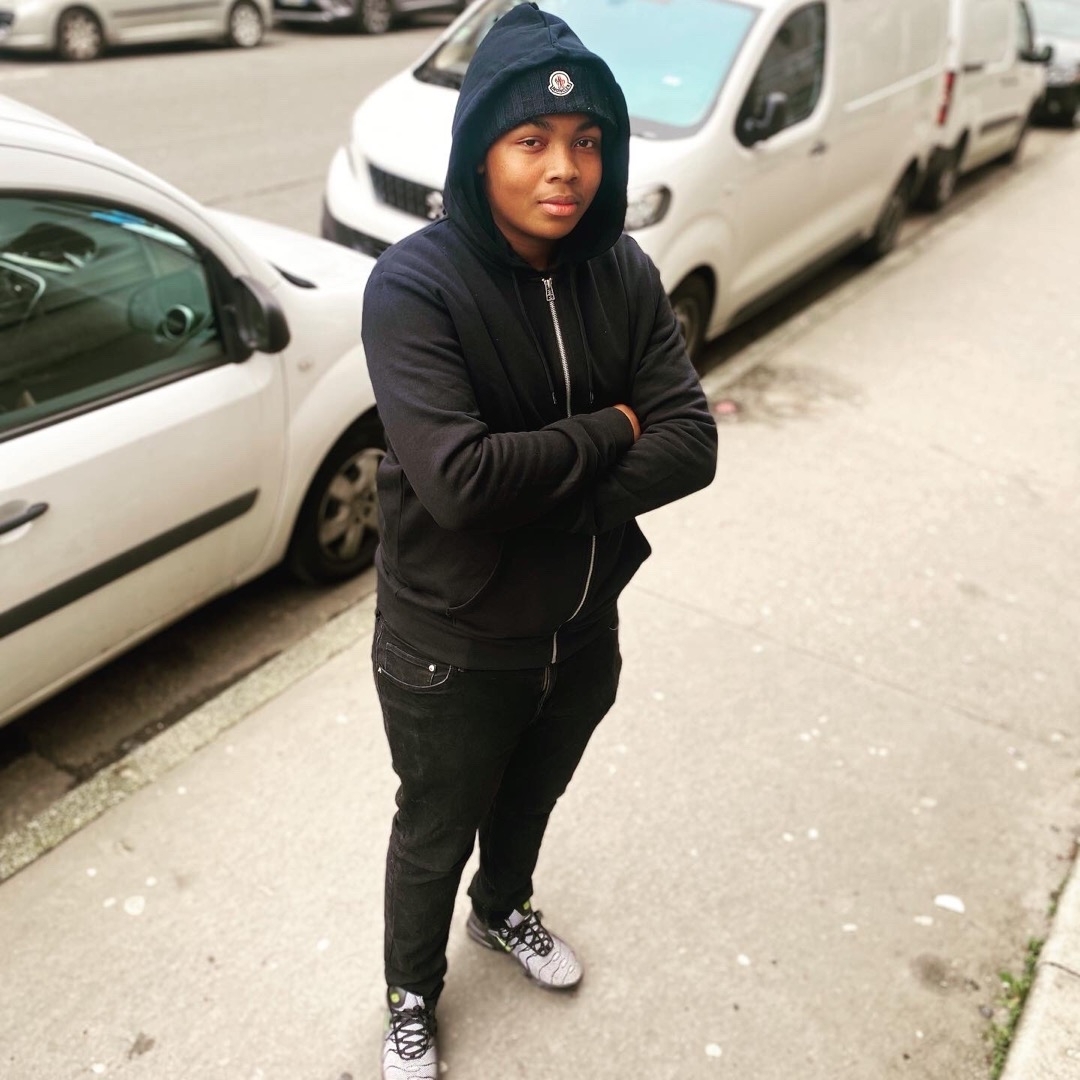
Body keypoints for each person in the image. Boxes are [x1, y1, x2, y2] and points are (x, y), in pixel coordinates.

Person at [361, 4, 718, 1076]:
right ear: (482, 152)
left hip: (583, 619)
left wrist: (548, 496)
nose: (565, 168)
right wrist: (612, 428)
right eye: (532, 140)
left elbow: (693, 443)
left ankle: (503, 908)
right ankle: (410, 993)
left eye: (587, 141)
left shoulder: (624, 272)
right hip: (454, 642)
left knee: (532, 795)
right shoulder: (415, 287)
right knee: (437, 825)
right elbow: (461, 483)